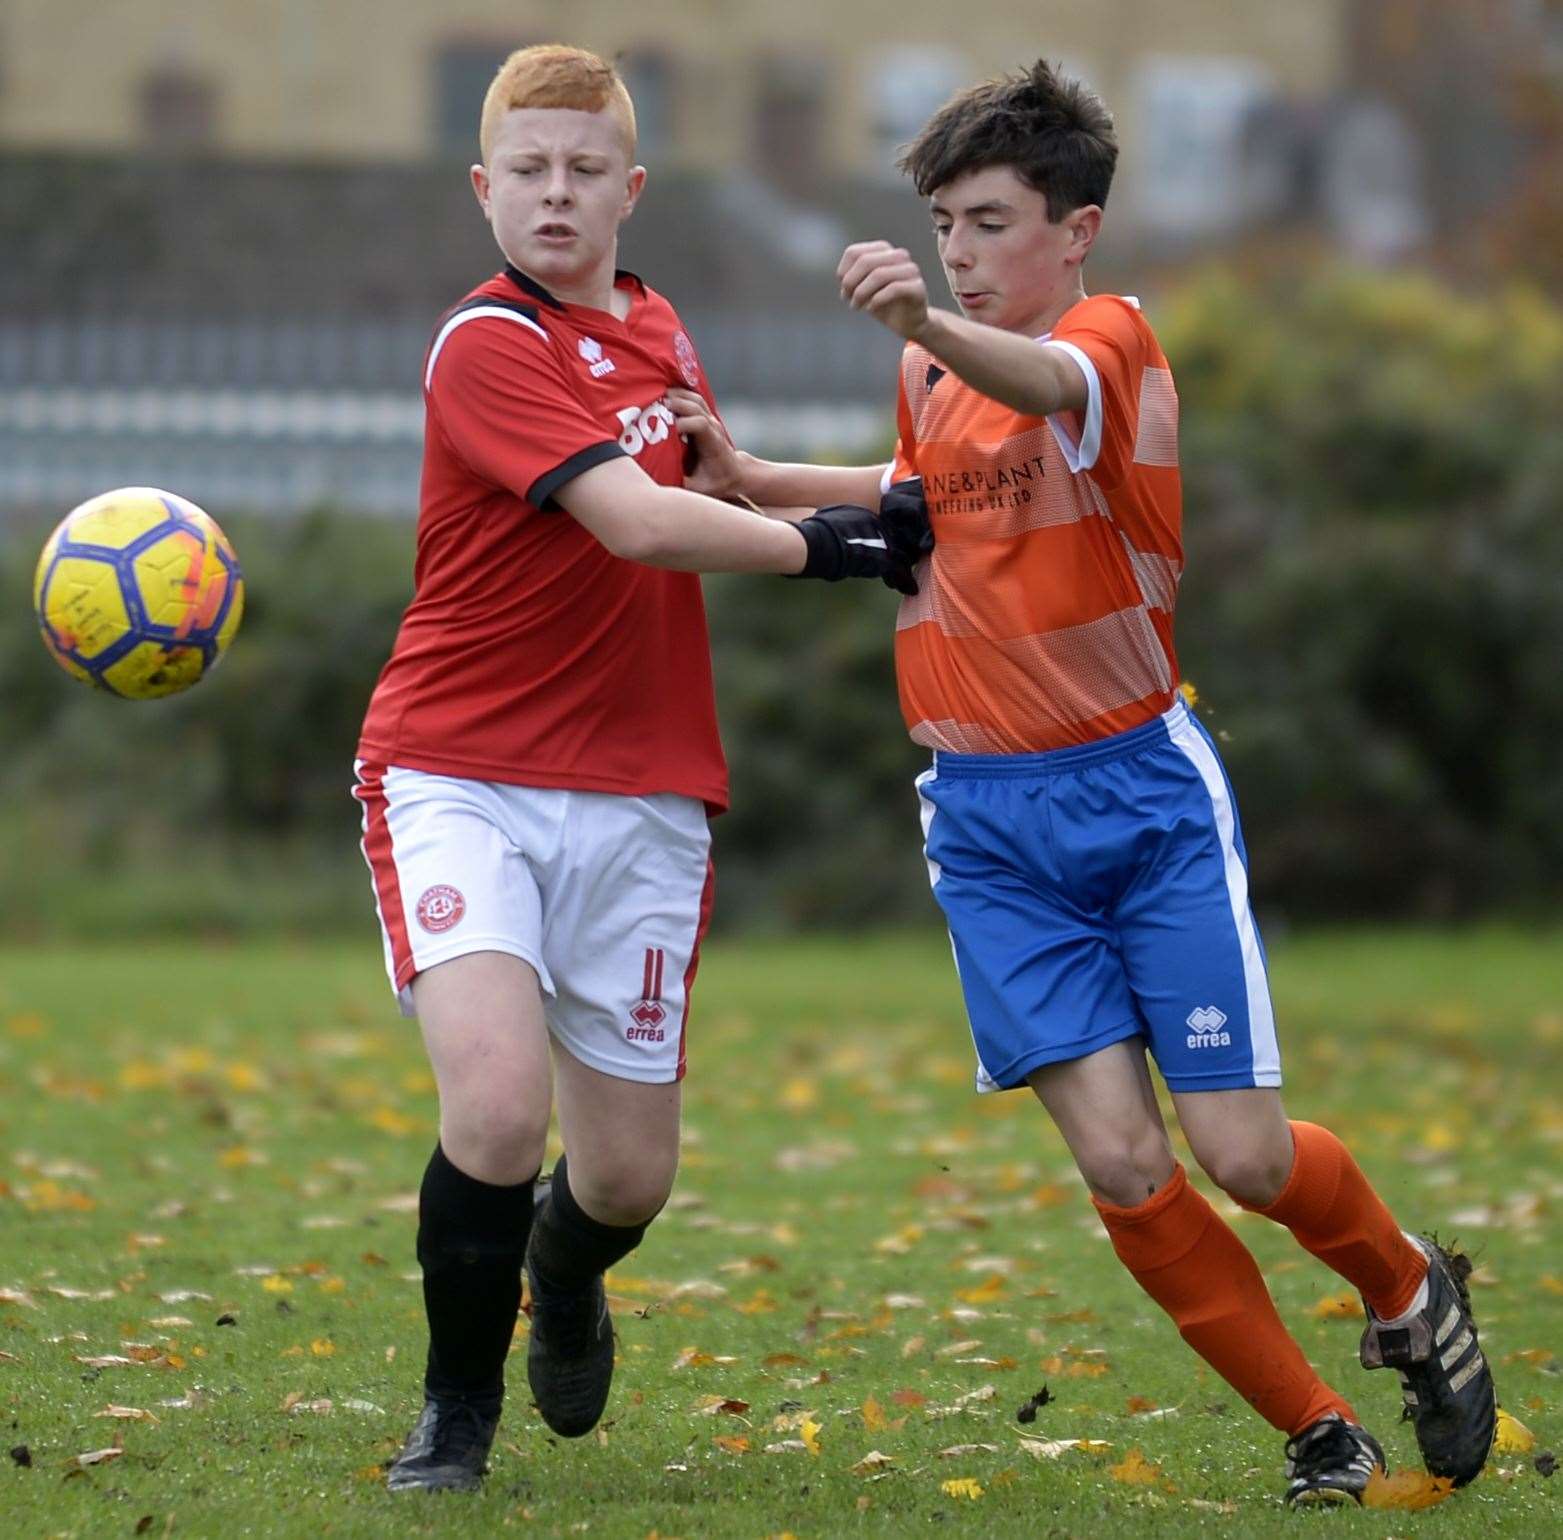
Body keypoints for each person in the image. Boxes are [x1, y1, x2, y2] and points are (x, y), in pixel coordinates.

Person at [675, 59, 1498, 1507]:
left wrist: (924, 315)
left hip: (1139, 798)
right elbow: (922, 489)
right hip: (986, 825)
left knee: (1239, 1151)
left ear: (1079, 230)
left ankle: (1411, 1291)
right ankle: (1319, 1433)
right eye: (944, 227)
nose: (963, 254)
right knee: (1124, 1166)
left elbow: (1044, 388)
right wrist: (752, 473)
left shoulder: (1105, 342)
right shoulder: (932, 360)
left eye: (991, 223)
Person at [352, 44, 913, 1495]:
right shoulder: (486, 344)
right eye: (526, 172)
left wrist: (893, 492)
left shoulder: (660, 330)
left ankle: (563, 1261)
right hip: (458, 770)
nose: (555, 193)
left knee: (624, 1181)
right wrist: (833, 552)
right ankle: (454, 1419)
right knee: (491, 1110)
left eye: (582, 170)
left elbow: (709, 483)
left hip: (647, 790)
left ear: (631, 190)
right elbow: (642, 528)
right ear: (484, 193)